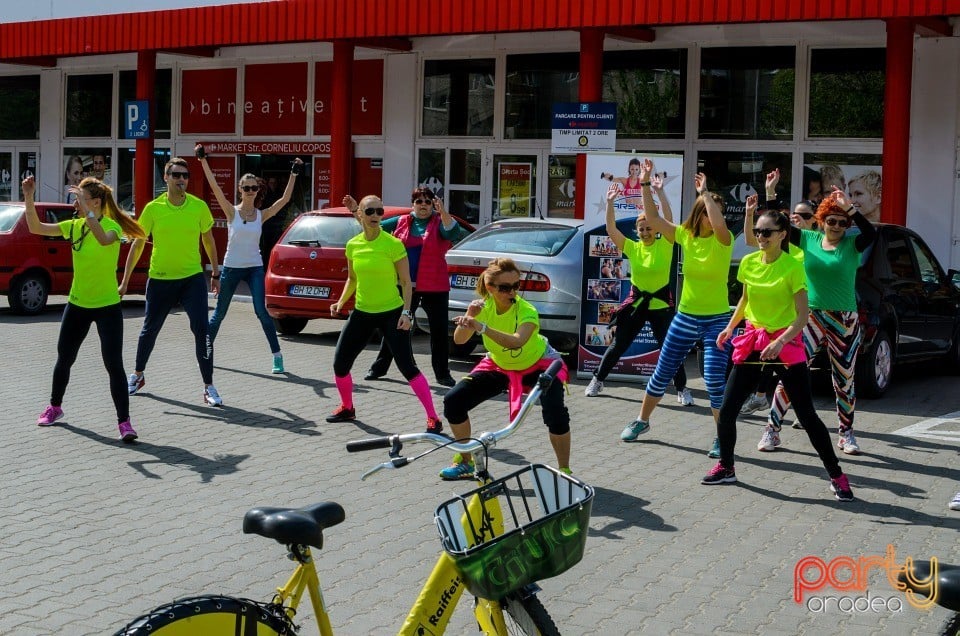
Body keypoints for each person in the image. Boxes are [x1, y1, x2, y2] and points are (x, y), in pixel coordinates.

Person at [704, 209, 855, 502]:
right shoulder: (748, 263)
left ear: (782, 235)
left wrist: (781, 340)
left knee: (808, 415)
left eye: (767, 232)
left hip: (785, 344)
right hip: (753, 341)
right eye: (758, 232)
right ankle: (727, 466)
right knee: (727, 409)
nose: (760, 237)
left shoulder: (793, 266)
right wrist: (729, 327)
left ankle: (837, 475)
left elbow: (802, 316)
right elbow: (745, 300)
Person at [621, 162, 733, 459]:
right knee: (662, 372)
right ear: (700, 214)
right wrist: (645, 184)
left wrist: (706, 192)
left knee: (713, 379)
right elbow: (655, 219)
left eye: (717, 211)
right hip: (685, 316)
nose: (715, 217)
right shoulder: (686, 236)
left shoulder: (724, 241)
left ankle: (722, 436)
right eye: (710, 211)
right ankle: (642, 421)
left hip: (717, 320)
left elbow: (721, 226)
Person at [24, 175, 146, 442]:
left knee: (114, 365)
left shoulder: (113, 227)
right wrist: (29, 196)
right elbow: (36, 227)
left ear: (96, 202)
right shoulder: (75, 226)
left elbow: (103, 239)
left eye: (80, 199)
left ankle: (124, 423)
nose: (75, 204)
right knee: (64, 359)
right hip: (77, 304)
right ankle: (55, 407)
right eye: (76, 199)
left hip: (107, 307)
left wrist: (88, 212)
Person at [760, 188, 877, 454]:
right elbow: (777, 224)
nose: (835, 226)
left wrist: (849, 208)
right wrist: (770, 195)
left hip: (844, 318)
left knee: (844, 380)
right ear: (821, 221)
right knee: (790, 372)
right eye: (831, 221)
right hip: (809, 317)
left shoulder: (852, 244)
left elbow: (871, 233)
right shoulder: (809, 239)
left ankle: (846, 434)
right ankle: (771, 430)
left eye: (841, 222)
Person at [440, 258, 571, 479]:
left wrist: (482, 327)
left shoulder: (527, 310)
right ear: (490, 288)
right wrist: (470, 317)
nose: (512, 293)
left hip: (540, 364)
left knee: (555, 413)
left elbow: (516, 342)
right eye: (505, 288)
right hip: (500, 365)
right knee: (453, 401)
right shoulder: (483, 307)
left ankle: (564, 470)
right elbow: (460, 340)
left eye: (516, 286)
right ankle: (465, 462)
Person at [329, 194, 443, 433]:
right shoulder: (353, 245)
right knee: (340, 364)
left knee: (407, 367)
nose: (376, 216)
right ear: (360, 214)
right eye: (370, 211)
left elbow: (406, 282)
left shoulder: (392, 244)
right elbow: (352, 278)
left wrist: (406, 313)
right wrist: (340, 302)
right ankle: (347, 407)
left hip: (392, 312)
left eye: (379, 211)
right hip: (362, 312)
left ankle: (433, 418)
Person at [120, 157, 224, 406]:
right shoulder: (153, 209)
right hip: (160, 279)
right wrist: (124, 282)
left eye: (185, 175)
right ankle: (137, 375)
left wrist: (215, 273)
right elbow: (136, 245)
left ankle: (209, 386)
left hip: (191, 280)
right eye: (176, 175)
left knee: (202, 331)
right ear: (165, 178)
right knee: (149, 329)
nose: (181, 180)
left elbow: (208, 240)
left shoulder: (198, 207)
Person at [585, 177, 693, 407]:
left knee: (670, 349)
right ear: (637, 231)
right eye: (641, 229)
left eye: (649, 228)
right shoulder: (632, 247)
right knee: (618, 345)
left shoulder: (666, 244)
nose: (645, 232)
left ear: (656, 230)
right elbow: (611, 229)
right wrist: (610, 203)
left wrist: (660, 192)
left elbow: (669, 219)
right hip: (636, 304)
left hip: (661, 306)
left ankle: (682, 388)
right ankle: (598, 380)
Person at [197, 144, 302, 374]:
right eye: (246, 187)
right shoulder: (231, 211)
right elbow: (215, 188)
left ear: (257, 190)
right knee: (219, 313)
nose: (250, 191)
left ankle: (277, 356)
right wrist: (203, 160)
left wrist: (293, 173)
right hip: (232, 269)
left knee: (261, 312)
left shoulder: (261, 215)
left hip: (254, 268)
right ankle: (205, 352)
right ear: (240, 189)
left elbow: (284, 200)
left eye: (254, 187)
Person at [363, 187, 465, 387]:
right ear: (413, 204)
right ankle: (379, 368)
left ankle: (442, 374)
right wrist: (358, 211)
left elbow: (454, 233)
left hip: (435, 286)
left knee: (438, 332)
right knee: (396, 328)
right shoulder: (402, 221)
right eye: (419, 201)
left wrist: (442, 211)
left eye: (428, 201)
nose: (424, 205)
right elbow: (373, 227)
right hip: (405, 285)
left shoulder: (439, 221)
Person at [740, 170, 817, 416]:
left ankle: (797, 409)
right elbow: (758, 236)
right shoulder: (781, 242)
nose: (797, 218)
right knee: (767, 359)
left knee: (797, 368)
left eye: (804, 215)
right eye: (795, 215)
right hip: (773, 318)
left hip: (797, 315)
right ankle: (765, 401)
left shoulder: (810, 241)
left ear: (815, 219)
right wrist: (769, 192)